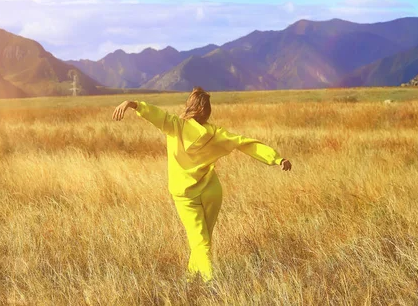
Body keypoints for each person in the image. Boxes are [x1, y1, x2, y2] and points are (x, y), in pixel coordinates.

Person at [112, 86, 292, 283]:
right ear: (207, 111)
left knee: (200, 240)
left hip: (185, 195)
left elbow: (154, 113)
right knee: (202, 240)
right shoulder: (215, 133)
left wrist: (132, 104)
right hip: (211, 191)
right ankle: (191, 278)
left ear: (189, 107)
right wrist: (276, 158)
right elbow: (245, 143)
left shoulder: (174, 125)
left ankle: (209, 284)